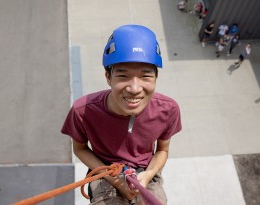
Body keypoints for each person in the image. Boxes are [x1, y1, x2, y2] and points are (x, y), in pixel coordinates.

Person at [61, 25, 182, 205]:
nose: (134, 88)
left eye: (145, 76)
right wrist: (115, 179)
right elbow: (80, 148)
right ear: (108, 77)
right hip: (104, 170)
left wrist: (148, 175)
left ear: (156, 78)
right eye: (123, 76)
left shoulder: (168, 109)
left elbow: (162, 150)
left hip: (146, 170)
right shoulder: (83, 110)